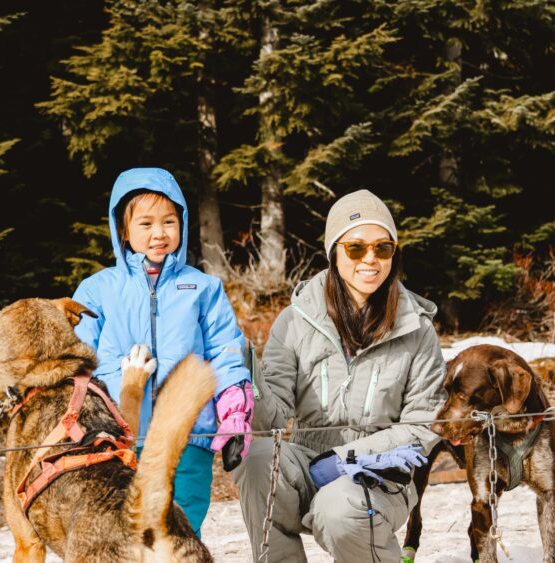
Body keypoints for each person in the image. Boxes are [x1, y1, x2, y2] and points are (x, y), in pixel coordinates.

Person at [235, 189, 446, 563]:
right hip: (307, 462)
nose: (371, 259)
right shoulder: (296, 320)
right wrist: (246, 370)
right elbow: (273, 419)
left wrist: (346, 457)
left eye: (383, 248)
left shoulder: (417, 328)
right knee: (255, 457)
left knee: (339, 504)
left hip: (383, 473)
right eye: (356, 248)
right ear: (334, 252)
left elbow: (422, 427)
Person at [72, 167, 253, 536]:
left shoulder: (203, 288)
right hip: (116, 439)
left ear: (182, 223)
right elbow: (76, 362)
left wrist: (235, 413)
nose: (159, 233)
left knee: (180, 532)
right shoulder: (97, 291)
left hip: (187, 437)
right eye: (146, 223)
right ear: (123, 229)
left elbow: (225, 352)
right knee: (119, 536)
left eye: (169, 221)